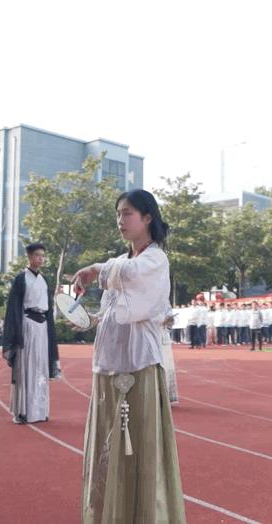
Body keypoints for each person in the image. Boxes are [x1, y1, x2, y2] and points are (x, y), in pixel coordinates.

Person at [72, 189, 185, 523]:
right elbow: (115, 312)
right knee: (108, 452)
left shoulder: (154, 261)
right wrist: (89, 319)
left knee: (138, 451)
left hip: (139, 370)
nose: (120, 220)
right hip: (108, 369)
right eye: (118, 214)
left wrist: (95, 268)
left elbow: (132, 283)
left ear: (147, 217)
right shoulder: (121, 264)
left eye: (127, 213)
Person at [2, 243, 59, 425]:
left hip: (42, 327)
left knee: (41, 367)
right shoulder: (21, 279)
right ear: (29, 256)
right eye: (37, 255)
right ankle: (23, 411)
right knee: (26, 367)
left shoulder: (44, 280)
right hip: (27, 325)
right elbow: (13, 308)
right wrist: (16, 334)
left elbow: (49, 309)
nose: (40, 259)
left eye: (43, 255)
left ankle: (40, 410)